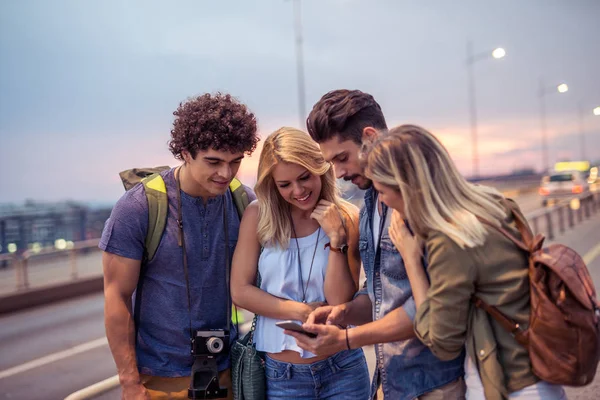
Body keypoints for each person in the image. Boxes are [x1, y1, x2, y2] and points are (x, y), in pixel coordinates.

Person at [363, 124, 567, 400]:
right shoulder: (496, 204)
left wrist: (411, 261)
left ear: (407, 187)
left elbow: (442, 342)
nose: (383, 201)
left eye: (383, 191)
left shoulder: (449, 239)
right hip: (540, 374)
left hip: (506, 384)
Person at [289, 89, 465, 400]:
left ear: (370, 137)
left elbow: (429, 307)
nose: (339, 173)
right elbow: (382, 296)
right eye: (331, 163)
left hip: (435, 384)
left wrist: (345, 340)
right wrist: (341, 314)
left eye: (342, 158)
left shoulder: (420, 204)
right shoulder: (371, 201)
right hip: (392, 381)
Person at [100, 93, 260, 399]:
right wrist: (129, 382)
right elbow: (117, 296)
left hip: (226, 371)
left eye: (235, 162)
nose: (225, 173)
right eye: (213, 162)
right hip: (158, 379)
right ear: (185, 152)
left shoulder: (244, 203)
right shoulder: (139, 206)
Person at [230, 127, 370, 399]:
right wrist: (302, 312)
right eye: (285, 185)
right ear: (272, 184)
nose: (298, 190)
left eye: (304, 177)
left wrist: (336, 238)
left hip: (343, 369)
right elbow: (240, 291)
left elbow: (340, 299)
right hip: (282, 377)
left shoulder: (348, 216)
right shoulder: (258, 215)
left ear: (320, 168)